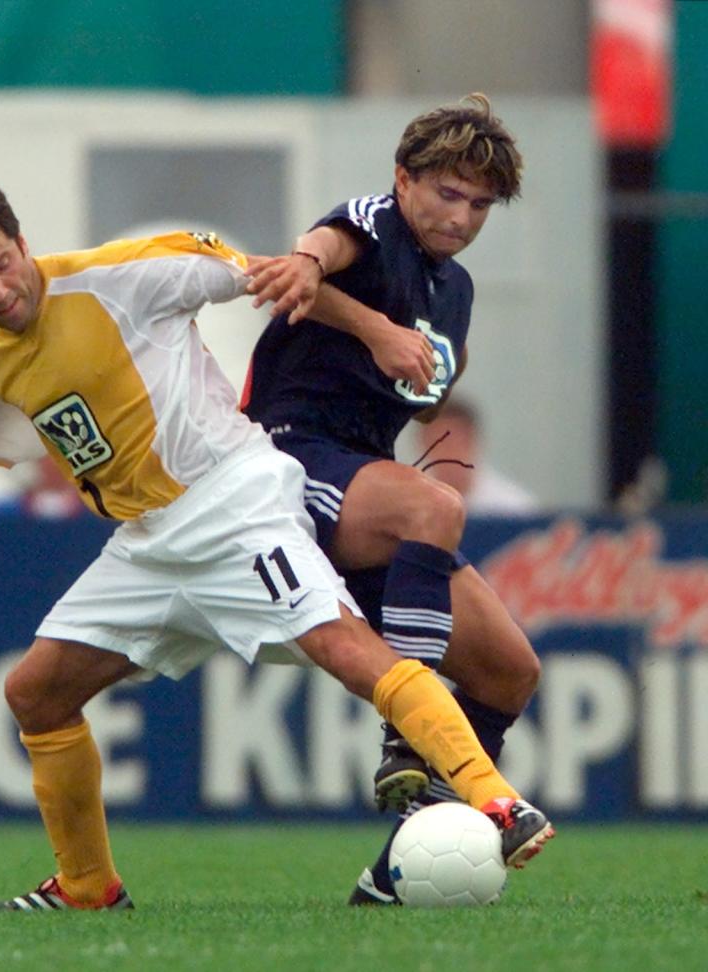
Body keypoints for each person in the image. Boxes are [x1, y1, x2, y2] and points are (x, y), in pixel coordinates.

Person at [0, 175, 552, 913]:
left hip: (235, 501)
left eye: (3, 264)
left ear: (23, 242)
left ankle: (495, 802)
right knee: (34, 693)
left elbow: (273, 276)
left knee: (346, 650)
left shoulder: (123, 275)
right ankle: (89, 887)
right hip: (150, 546)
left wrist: (377, 329)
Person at [243, 94, 545, 905]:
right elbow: (320, 252)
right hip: (285, 456)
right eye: (447, 193)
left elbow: (439, 366)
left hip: (361, 478)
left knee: (511, 672)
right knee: (435, 506)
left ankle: (397, 873)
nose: (462, 216)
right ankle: (408, 734)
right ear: (405, 181)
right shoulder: (377, 225)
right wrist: (342, 298)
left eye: (479, 204)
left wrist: (421, 360)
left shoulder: (457, 291)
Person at [412, 396, 540, 515]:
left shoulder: (515, 509)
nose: (446, 452)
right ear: (422, 444)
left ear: (473, 440)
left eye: (454, 442)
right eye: (436, 443)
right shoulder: (409, 504)